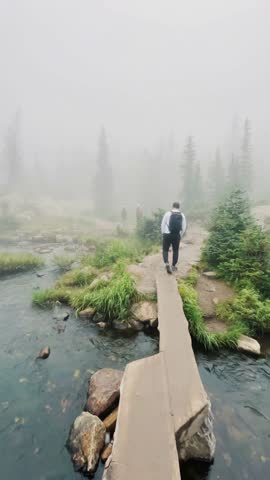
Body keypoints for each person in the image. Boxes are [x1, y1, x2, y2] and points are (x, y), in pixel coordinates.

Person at [161, 202, 187, 274]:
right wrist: (180, 235)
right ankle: (173, 266)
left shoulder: (167, 213)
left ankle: (166, 263)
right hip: (176, 235)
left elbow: (162, 224)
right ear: (179, 207)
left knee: (165, 250)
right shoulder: (182, 215)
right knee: (175, 250)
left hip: (167, 234)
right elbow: (184, 227)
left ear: (172, 206)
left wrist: (163, 233)